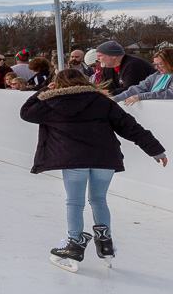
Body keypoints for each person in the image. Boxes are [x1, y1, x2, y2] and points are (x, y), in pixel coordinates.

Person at [20, 69, 166, 271]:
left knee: (74, 202)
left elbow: (26, 112)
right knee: (98, 199)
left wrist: (44, 90)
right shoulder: (101, 101)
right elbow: (129, 126)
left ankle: (74, 244)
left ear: (57, 84)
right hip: (104, 158)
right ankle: (105, 243)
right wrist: (155, 150)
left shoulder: (51, 103)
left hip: (73, 160)